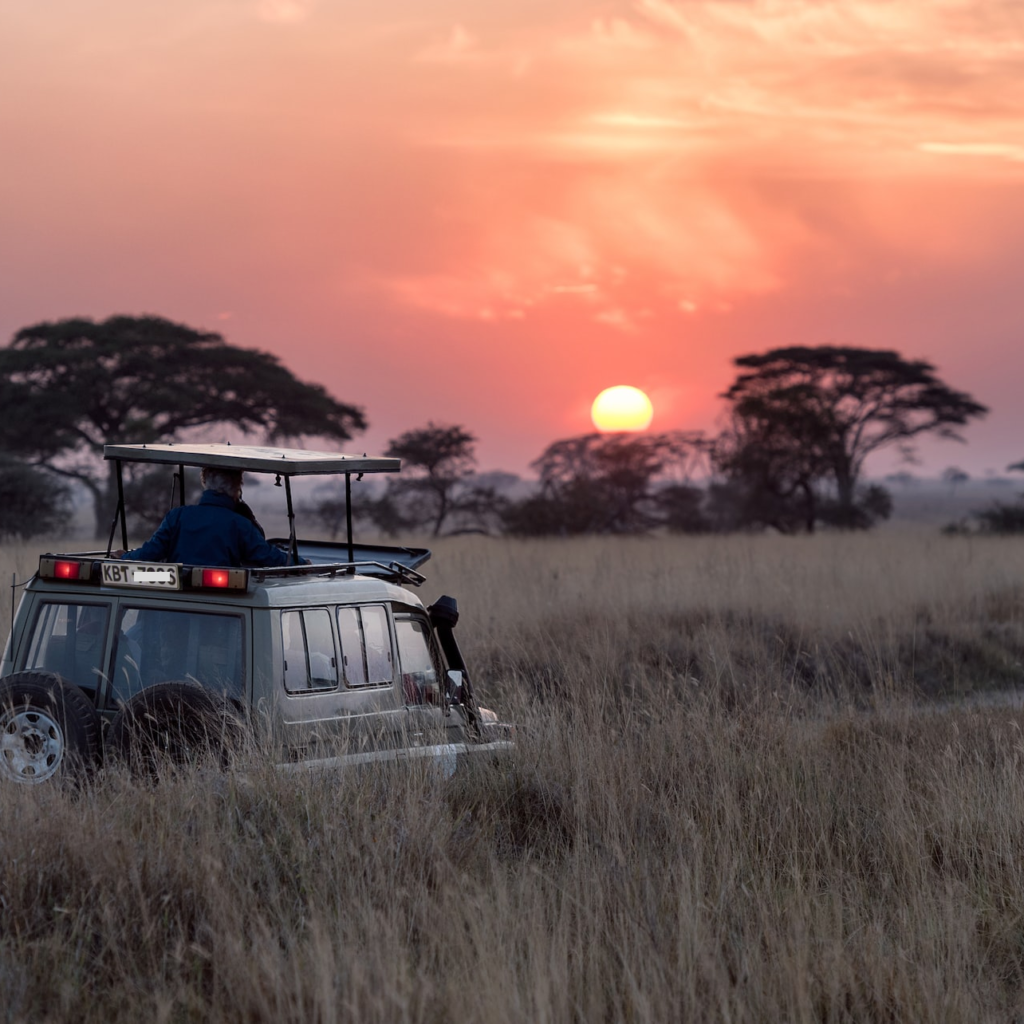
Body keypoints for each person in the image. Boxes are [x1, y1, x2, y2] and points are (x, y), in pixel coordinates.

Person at [118, 466, 296, 568]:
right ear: (237, 488)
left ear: (205, 483)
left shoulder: (177, 516)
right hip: (223, 605)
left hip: (175, 605)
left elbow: (152, 552)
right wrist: (299, 563)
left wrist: (124, 559)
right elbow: (266, 556)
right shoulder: (241, 524)